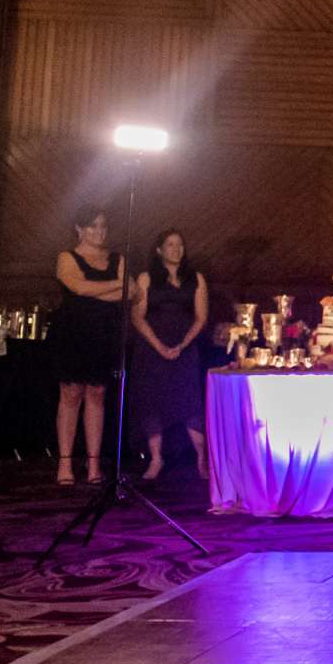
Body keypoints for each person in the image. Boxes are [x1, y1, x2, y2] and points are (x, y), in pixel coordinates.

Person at [48, 207, 125, 485]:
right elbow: (77, 288)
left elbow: (132, 292)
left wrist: (106, 290)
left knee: (97, 394)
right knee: (70, 394)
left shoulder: (117, 258)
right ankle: (65, 463)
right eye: (92, 226)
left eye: (103, 226)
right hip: (73, 331)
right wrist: (115, 287)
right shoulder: (66, 257)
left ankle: (93, 465)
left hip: (104, 333)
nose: (99, 232)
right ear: (79, 229)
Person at [128, 228, 207, 481]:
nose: (176, 249)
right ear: (159, 250)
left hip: (185, 348)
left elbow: (201, 317)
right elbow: (137, 317)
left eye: (180, 245)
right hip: (152, 349)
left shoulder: (196, 279)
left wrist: (182, 345)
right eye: (170, 245)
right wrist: (159, 346)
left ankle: (201, 460)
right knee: (152, 402)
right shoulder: (146, 278)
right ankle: (156, 458)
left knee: (191, 403)